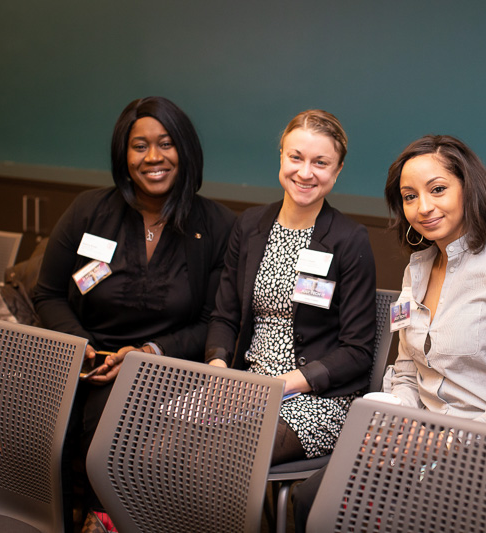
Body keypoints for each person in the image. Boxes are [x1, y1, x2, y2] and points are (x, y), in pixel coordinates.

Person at [292, 134, 486, 532]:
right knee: (314, 498)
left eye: (437, 190)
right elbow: (405, 370)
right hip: (416, 435)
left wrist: (442, 442)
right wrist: (393, 421)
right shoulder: (416, 268)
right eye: (409, 196)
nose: (423, 207)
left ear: (469, 188)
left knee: (398, 519)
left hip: (483, 445)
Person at [33, 96, 235, 530]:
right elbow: (47, 294)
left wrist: (146, 352)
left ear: (185, 150)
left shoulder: (217, 226)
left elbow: (214, 322)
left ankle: (103, 520)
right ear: (123, 157)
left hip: (164, 371)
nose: (153, 157)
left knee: (111, 418)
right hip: (82, 360)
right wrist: (84, 348)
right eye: (139, 146)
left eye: (165, 143)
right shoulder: (88, 211)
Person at [205, 110, 377, 465]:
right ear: (281, 156)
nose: (305, 172)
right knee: (152, 448)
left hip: (316, 399)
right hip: (243, 388)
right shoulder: (249, 225)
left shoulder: (349, 239)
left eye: (320, 162)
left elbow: (358, 352)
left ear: (338, 169)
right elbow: (224, 316)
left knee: (213, 461)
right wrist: (219, 369)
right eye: (295, 157)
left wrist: (284, 384)